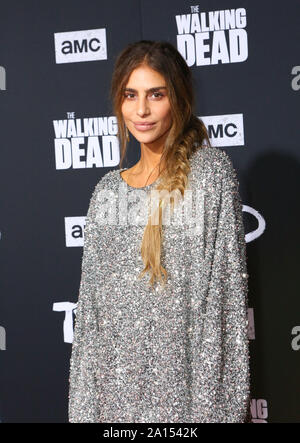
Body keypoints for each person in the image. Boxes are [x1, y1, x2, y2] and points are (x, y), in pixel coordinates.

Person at [68, 40, 251, 423]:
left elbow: (224, 312)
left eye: (156, 94)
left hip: (188, 406)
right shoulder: (106, 192)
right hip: (113, 409)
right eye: (130, 95)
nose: (142, 110)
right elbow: (90, 326)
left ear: (179, 99)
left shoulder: (211, 177)